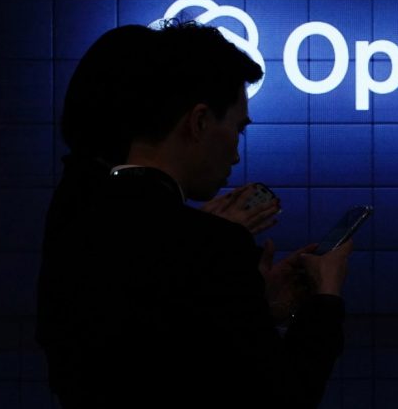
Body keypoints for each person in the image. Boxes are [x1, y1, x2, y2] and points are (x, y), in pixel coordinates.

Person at [36, 21, 352, 408]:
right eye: (238, 129)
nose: (236, 154)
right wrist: (325, 301)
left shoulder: (76, 216)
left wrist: (251, 301)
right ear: (199, 122)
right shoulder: (213, 246)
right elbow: (284, 398)